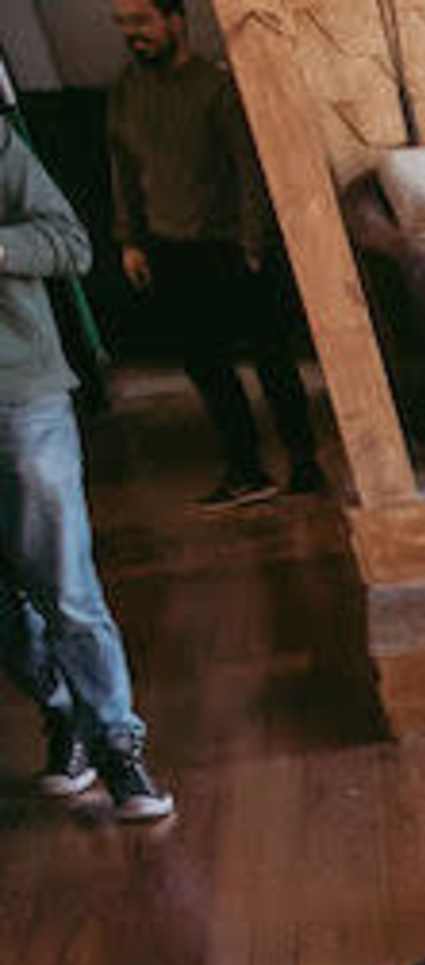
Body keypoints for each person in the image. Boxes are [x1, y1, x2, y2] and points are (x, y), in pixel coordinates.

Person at [0, 117, 171, 820]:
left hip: (21, 396)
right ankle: (62, 709)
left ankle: (118, 746)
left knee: (64, 585)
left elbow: (69, 242)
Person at [108, 0, 323, 507]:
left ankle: (304, 462)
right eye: (122, 24)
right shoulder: (126, 91)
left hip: (231, 245)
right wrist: (130, 239)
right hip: (169, 246)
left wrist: (254, 241)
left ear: (175, 21)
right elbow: (122, 169)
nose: (132, 34)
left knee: (271, 359)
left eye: (141, 21)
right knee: (205, 365)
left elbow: (248, 167)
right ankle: (245, 469)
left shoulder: (218, 87)